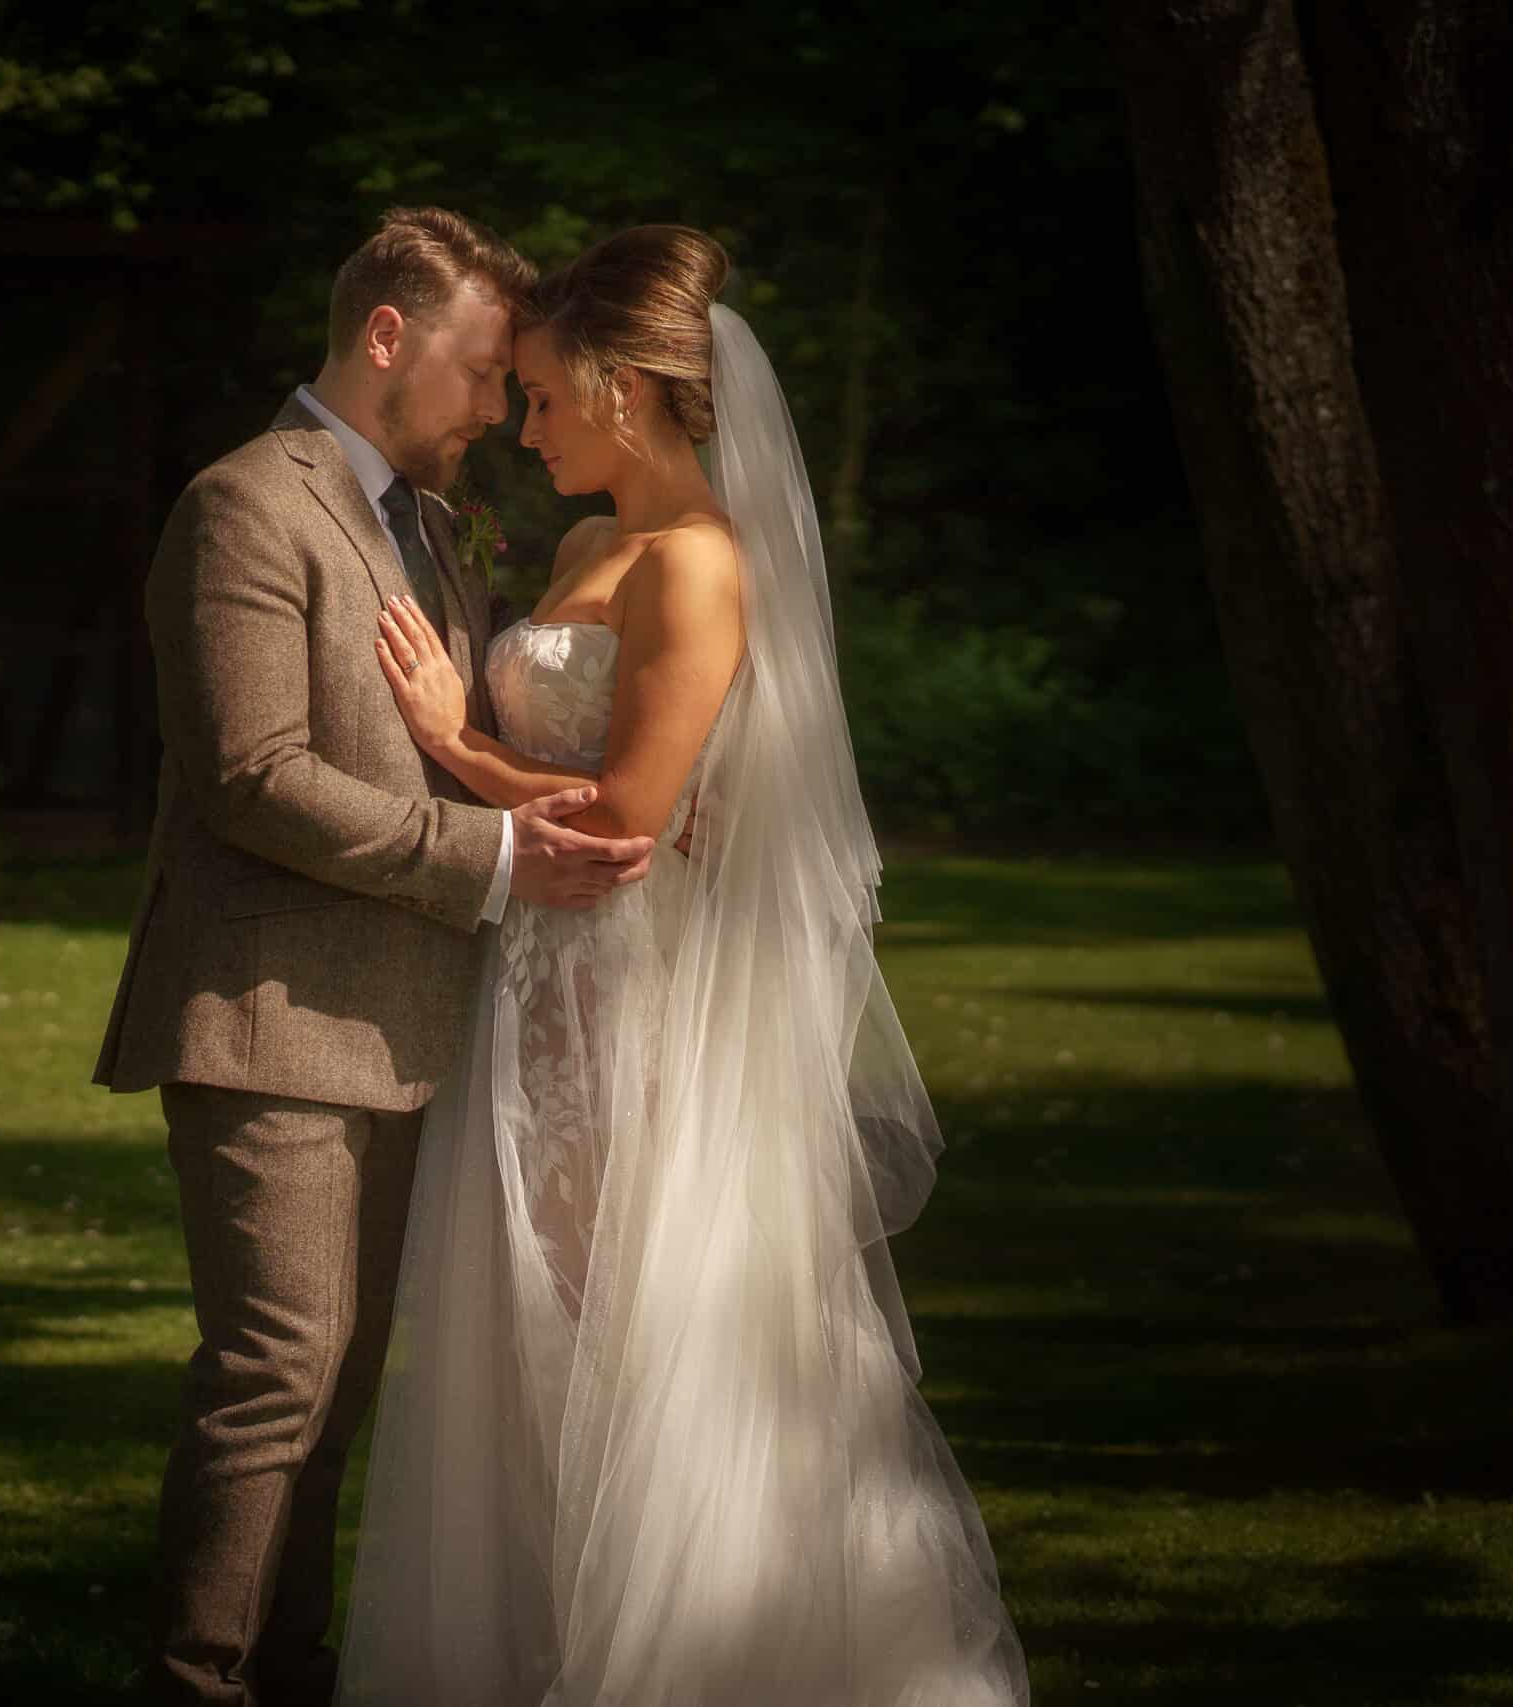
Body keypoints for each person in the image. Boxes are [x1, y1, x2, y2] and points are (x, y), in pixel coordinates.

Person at [337, 225, 1032, 1706]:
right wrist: (498, 753)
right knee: (529, 1329)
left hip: (630, 994)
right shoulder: (595, 546)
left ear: (619, 387)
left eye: (538, 398)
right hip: (535, 987)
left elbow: (633, 823)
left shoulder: (702, 566)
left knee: (631, 1330)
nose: (522, 429)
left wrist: (455, 742)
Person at [91, 205, 662, 1707]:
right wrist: (490, 861)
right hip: (268, 1018)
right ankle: (196, 1682)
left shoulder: (429, 523)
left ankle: (290, 1672)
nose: (495, 407)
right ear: (386, 336)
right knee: (276, 1376)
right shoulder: (247, 506)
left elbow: (450, 750)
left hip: (418, 1022)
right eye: (481, 372)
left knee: (340, 1392)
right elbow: (252, 775)